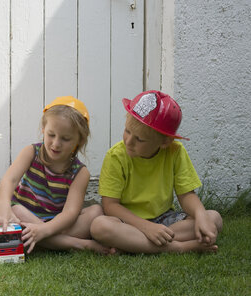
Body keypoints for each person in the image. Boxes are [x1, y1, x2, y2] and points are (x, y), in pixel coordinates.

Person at [90, 90, 223, 254]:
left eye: (139, 139)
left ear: (165, 141)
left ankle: (133, 245)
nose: (129, 142)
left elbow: (186, 195)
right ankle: (178, 248)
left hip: (164, 220)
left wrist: (201, 215)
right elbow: (110, 205)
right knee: (100, 226)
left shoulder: (175, 152)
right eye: (127, 131)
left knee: (213, 218)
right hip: (128, 222)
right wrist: (146, 227)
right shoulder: (116, 156)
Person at [0, 96, 115, 255]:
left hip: (56, 222)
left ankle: (45, 239)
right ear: (43, 130)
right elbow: (9, 180)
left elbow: (70, 213)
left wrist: (45, 229)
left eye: (65, 139)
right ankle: (79, 244)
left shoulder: (80, 172)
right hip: (25, 216)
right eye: (51, 135)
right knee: (15, 211)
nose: (56, 143)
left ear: (79, 141)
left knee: (96, 212)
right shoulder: (31, 152)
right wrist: (2, 206)